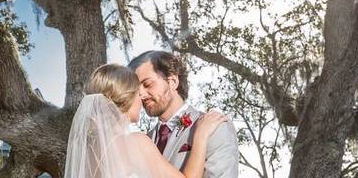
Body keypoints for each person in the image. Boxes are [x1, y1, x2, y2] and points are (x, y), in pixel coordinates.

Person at [64, 63, 227, 178]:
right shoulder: (136, 143)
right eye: (137, 92)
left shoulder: (89, 156)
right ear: (126, 97)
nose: (141, 96)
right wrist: (201, 136)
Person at [128, 51, 239, 178]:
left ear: (173, 82)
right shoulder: (143, 141)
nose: (141, 94)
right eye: (136, 90)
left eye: (147, 84)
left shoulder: (215, 125)